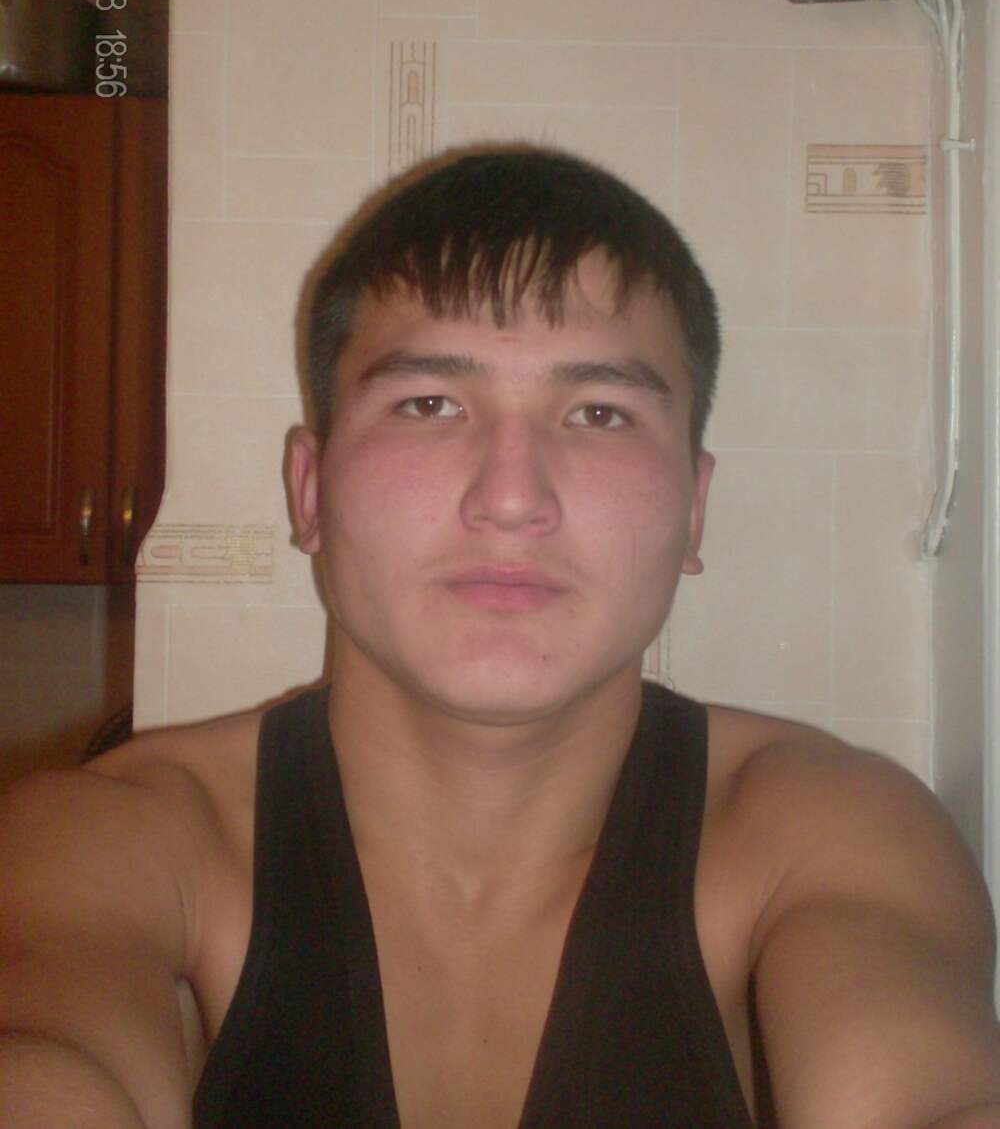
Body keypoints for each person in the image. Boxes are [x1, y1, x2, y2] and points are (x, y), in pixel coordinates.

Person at [2, 145, 999, 1129]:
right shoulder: (102, 842)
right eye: (428, 404)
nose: (512, 497)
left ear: (694, 509)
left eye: (599, 413)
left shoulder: (831, 836)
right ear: (310, 490)